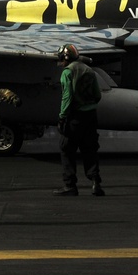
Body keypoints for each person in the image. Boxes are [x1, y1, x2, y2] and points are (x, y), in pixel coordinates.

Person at [53, 44, 105, 196]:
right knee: (90, 149)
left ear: (66, 57)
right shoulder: (89, 70)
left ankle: (70, 185)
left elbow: (67, 97)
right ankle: (95, 182)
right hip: (90, 116)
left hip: (74, 117)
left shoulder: (68, 72)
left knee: (67, 149)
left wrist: (62, 116)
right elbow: (98, 95)